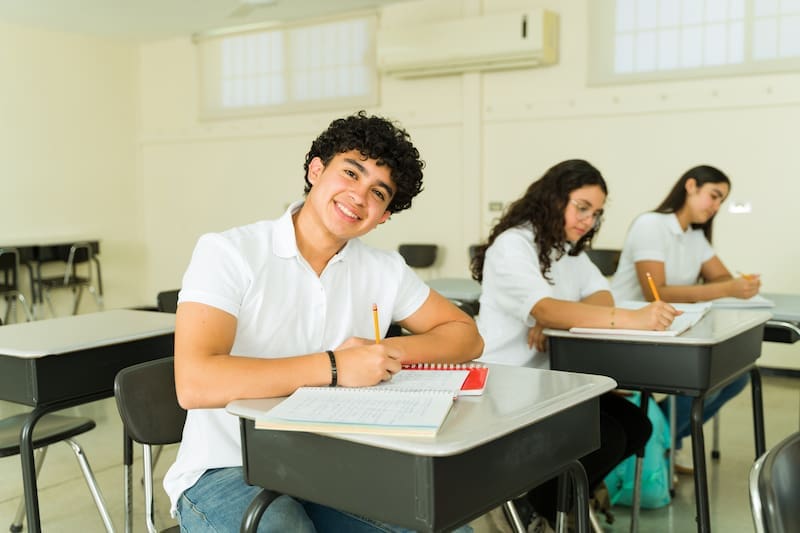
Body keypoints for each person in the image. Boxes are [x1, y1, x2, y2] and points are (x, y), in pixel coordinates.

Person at [163, 110, 485, 532]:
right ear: (316, 169)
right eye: (351, 173)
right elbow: (195, 382)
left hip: (333, 467)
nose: (359, 196)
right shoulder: (229, 252)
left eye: (378, 193)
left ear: (384, 215)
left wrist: (382, 352)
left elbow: (465, 336)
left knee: (445, 526)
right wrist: (335, 367)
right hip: (227, 468)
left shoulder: (384, 269)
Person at [471, 159, 679, 526]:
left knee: (637, 426)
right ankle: (538, 505)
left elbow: (602, 298)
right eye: (582, 207)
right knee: (608, 438)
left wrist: (563, 319)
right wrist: (558, 316)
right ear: (552, 199)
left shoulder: (568, 250)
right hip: (506, 384)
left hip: (552, 383)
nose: (588, 220)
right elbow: (546, 309)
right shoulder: (513, 244)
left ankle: (546, 501)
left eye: (596, 213)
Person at [610, 164, 760, 474]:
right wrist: (727, 288)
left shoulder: (694, 236)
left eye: (721, 201)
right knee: (706, 380)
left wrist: (735, 284)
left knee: (736, 377)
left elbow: (720, 277)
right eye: (713, 196)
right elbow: (658, 293)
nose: (716, 206)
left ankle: (663, 439)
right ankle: (660, 440)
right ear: (690, 186)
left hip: (669, 331)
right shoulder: (651, 225)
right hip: (629, 333)